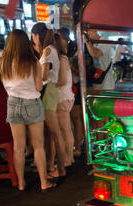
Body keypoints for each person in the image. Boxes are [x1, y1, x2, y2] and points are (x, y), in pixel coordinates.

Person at [0, 29, 56, 192]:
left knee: (18, 147)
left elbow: (4, 85)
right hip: (32, 102)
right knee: (38, 145)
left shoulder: (4, 63)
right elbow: (39, 86)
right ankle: (44, 182)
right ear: (26, 43)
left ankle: (21, 183)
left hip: (12, 103)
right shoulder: (32, 61)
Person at [31, 22, 67, 181]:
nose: (33, 39)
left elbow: (44, 75)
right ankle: (54, 166)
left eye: (33, 36)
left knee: (55, 132)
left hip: (47, 90)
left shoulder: (47, 50)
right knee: (53, 133)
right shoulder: (52, 49)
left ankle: (61, 169)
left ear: (37, 35)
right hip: (51, 90)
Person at [55, 30, 75, 167]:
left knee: (65, 130)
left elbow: (61, 81)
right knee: (66, 129)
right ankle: (70, 157)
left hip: (62, 97)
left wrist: (49, 83)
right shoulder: (63, 58)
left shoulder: (61, 59)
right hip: (66, 96)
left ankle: (68, 158)